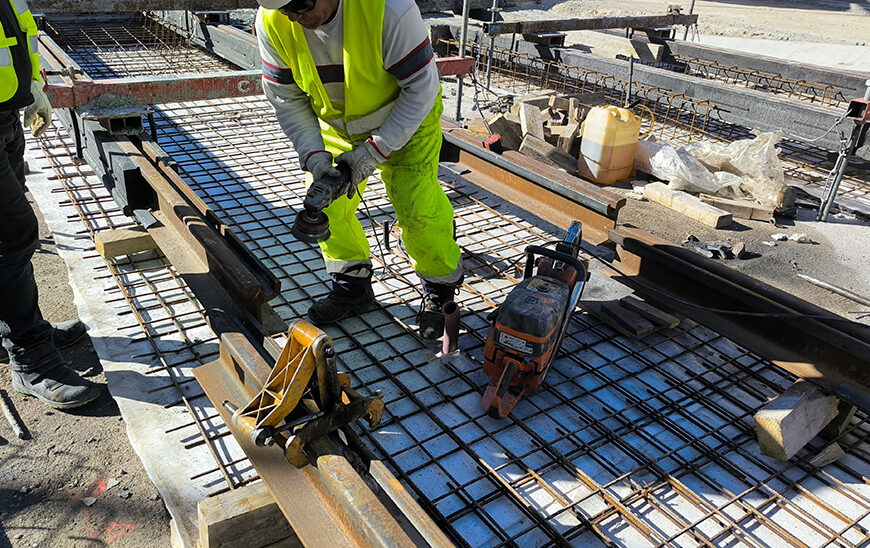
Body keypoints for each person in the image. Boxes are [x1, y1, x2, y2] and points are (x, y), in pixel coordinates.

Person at [255, 0, 463, 339]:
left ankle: (440, 290)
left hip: (408, 119)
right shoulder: (272, 21)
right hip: (339, 126)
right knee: (329, 204)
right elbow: (287, 98)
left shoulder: (388, 9)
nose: (293, 16)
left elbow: (421, 88)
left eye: (301, 4)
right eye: (285, 9)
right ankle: (352, 284)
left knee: (416, 205)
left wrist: (375, 151)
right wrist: (313, 155)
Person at [1, 0, 100, 409]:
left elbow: (16, 32)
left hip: (5, 112)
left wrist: (33, 88)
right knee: (12, 236)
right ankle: (30, 358)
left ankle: (23, 326)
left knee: (8, 235)